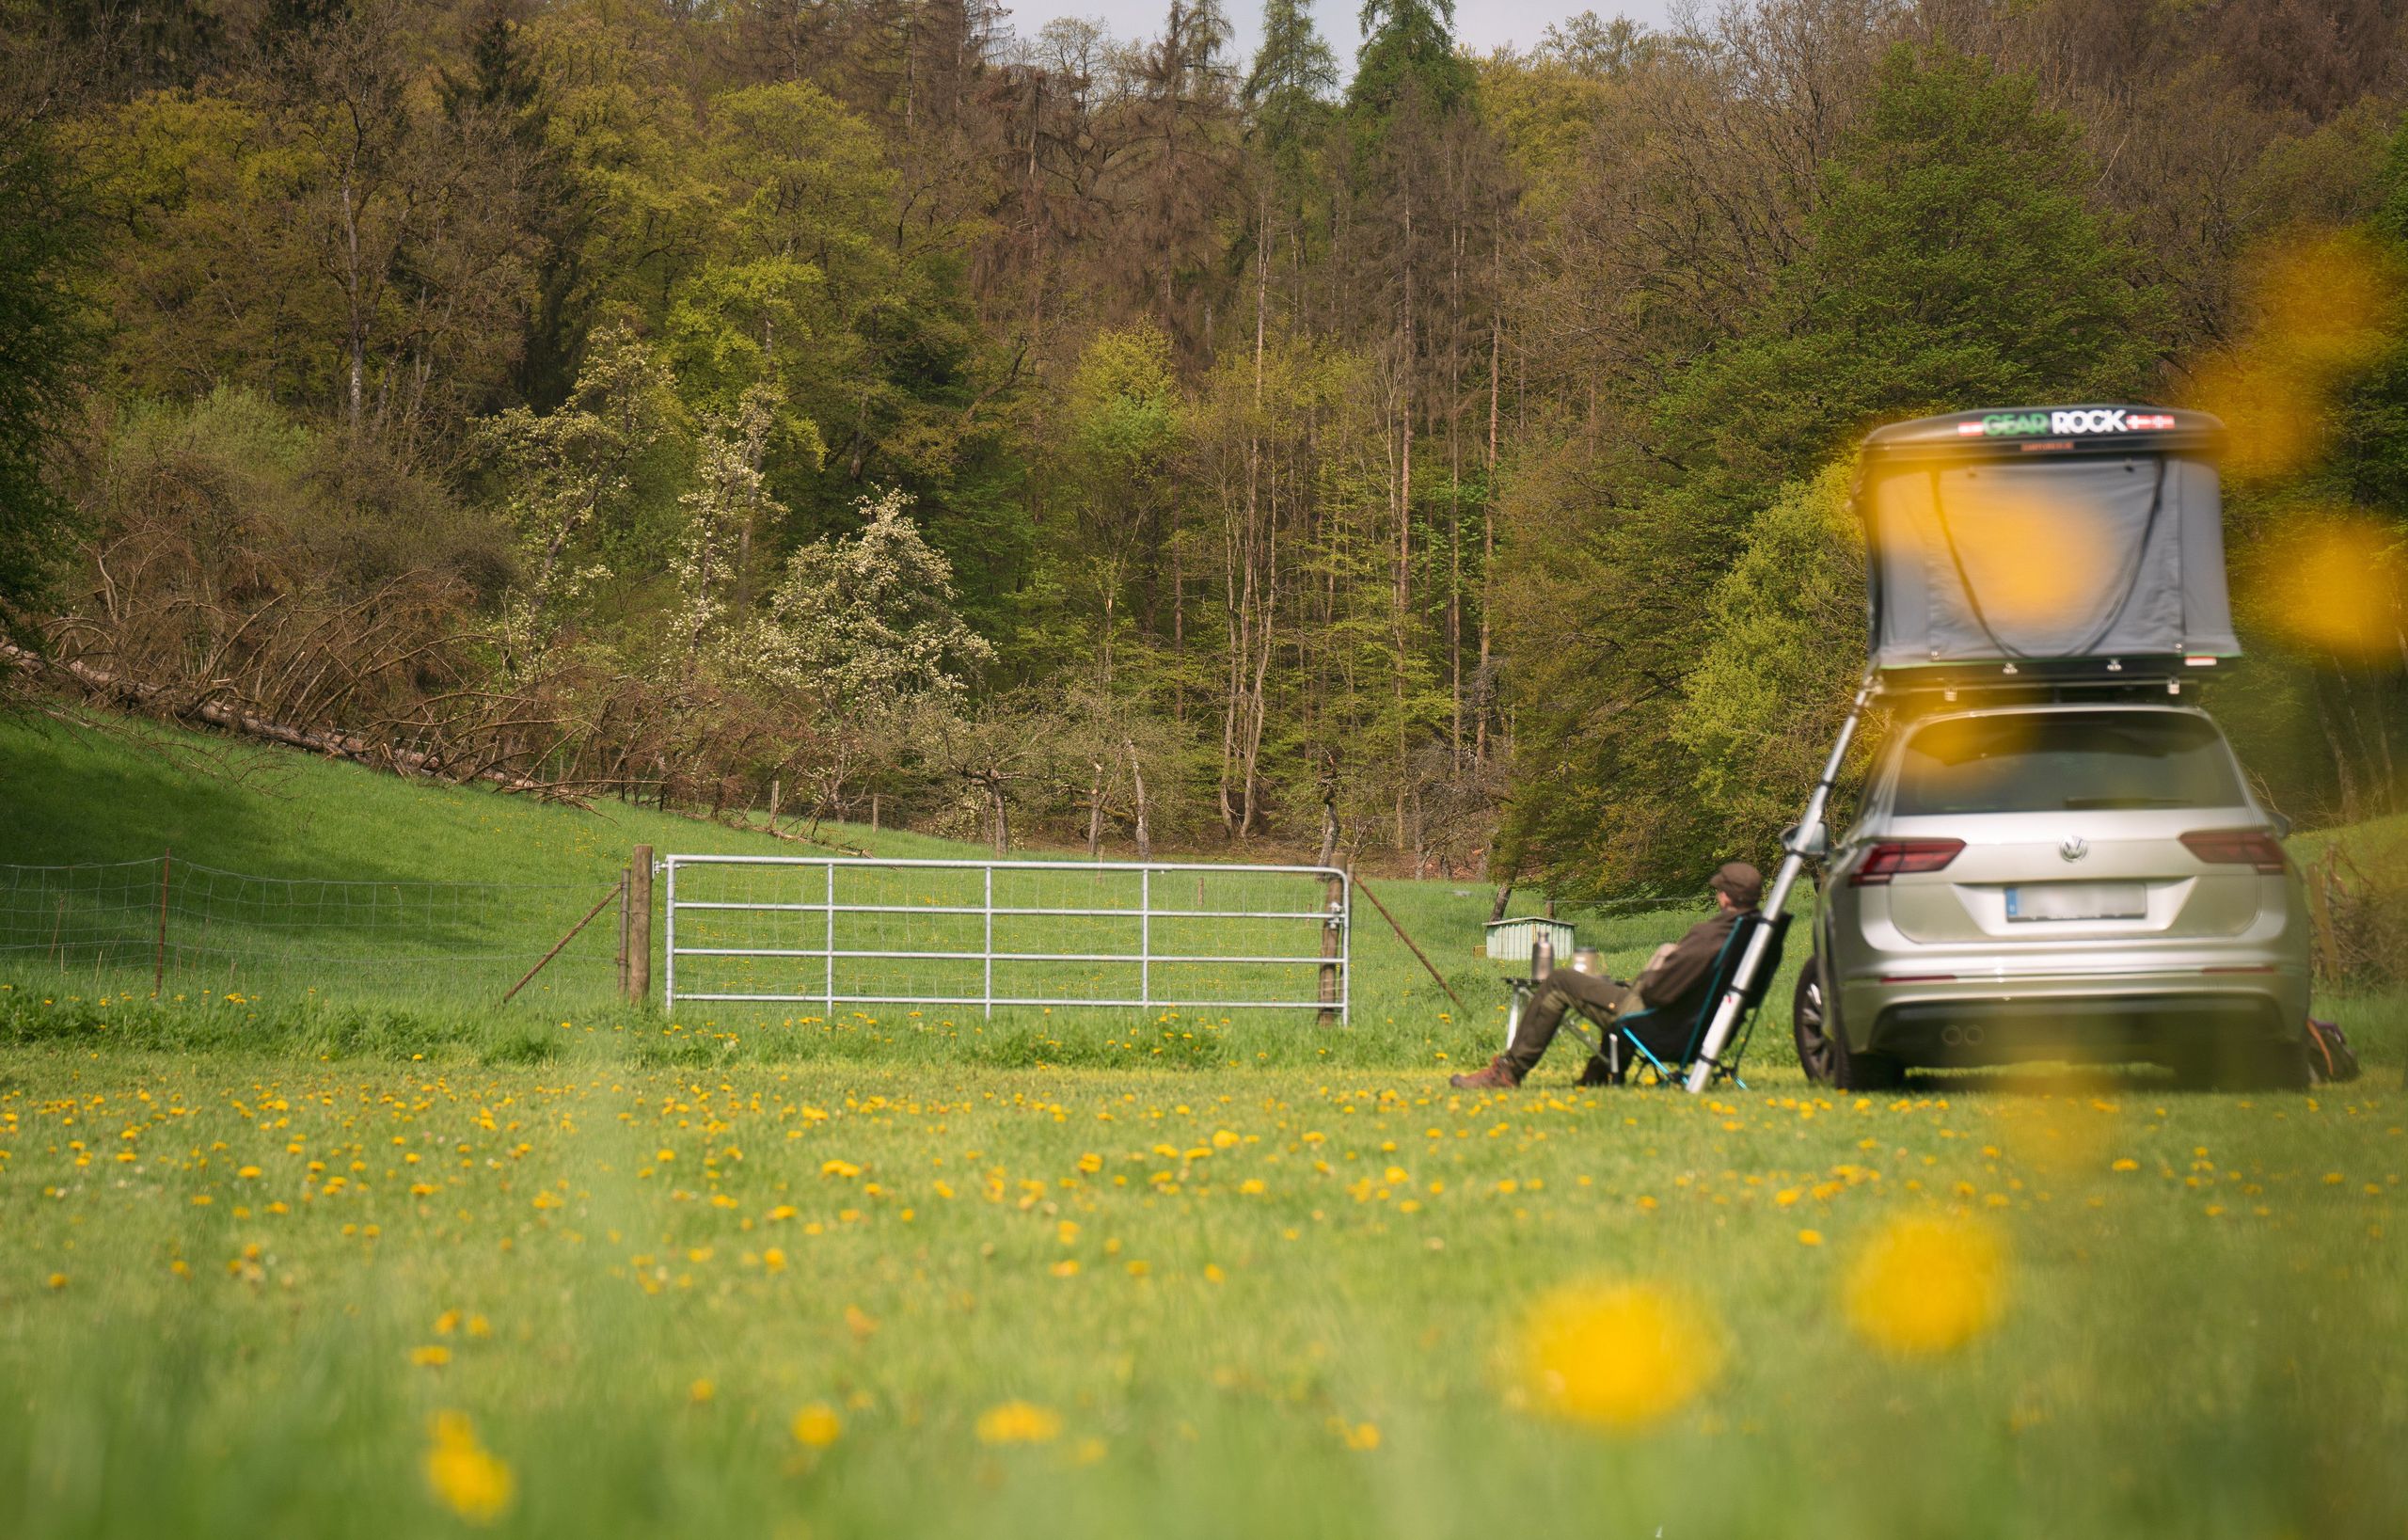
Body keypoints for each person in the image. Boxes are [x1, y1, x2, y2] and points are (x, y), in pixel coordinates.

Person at [1450, 861, 1763, 1089]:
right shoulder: (1756, 936)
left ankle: (1508, 1072)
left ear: (1725, 896)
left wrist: (1643, 984)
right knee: (1612, 990)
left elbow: (1660, 992)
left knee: (1560, 981)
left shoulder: (1711, 936)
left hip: (1661, 1022)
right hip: (1703, 1029)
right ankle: (1599, 1075)